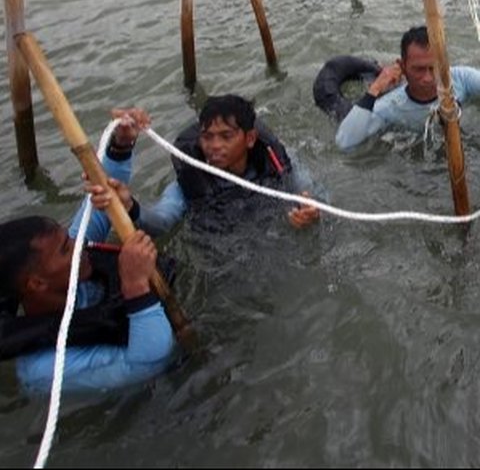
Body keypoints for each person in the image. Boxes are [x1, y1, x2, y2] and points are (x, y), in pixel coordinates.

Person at [0, 204, 176, 393]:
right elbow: (151, 364)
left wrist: (112, 197)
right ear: (37, 283)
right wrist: (136, 285)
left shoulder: (67, 269)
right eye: (66, 249)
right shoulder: (45, 369)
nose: (80, 245)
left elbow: (99, 201)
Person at [88, 96, 320, 235]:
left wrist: (310, 213)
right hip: (218, 246)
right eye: (207, 137)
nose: (214, 146)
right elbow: (162, 221)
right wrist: (130, 206)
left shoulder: (277, 160)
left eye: (226, 136)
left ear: (250, 139)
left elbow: (314, 195)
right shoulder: (188, 182)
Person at [335, 25, 480, 151]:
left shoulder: (462, 78)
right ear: (402, 66)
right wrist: (376, 87)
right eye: (419, 69)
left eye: (433, 68)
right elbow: (345, 143)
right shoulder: (390, 107)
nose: (427, 78)